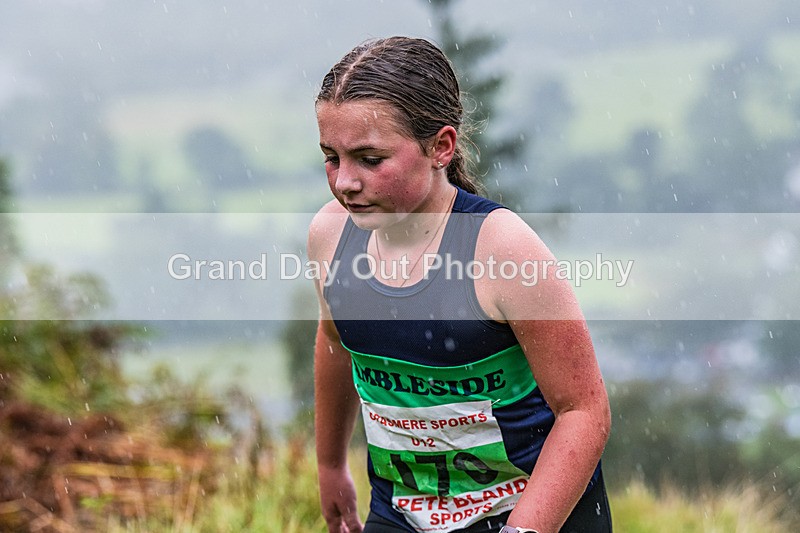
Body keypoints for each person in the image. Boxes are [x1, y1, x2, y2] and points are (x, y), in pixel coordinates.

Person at [308, 36, 612, 533]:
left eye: (369, 158)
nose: (344, 182)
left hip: (534, 515)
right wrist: (329, 465)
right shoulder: (329, 235)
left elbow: (583, 410)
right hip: (400, 515)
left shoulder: (503, 250)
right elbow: (335, 341)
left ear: (441, 147)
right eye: (331, 157)